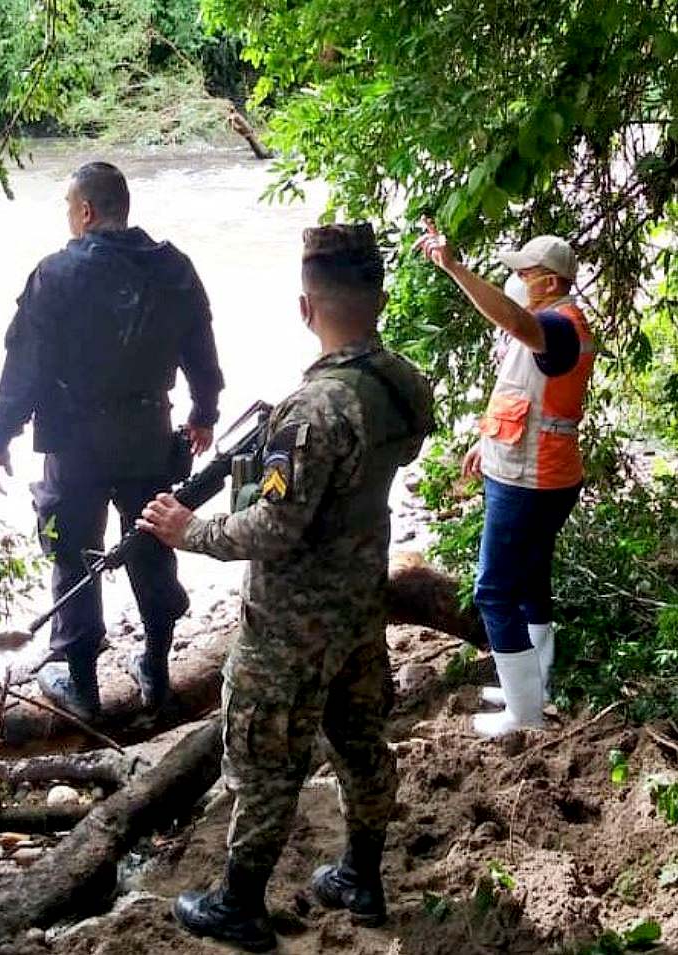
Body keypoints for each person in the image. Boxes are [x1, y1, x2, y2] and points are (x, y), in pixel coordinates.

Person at [138, 223, 433, 953]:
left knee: (265, 755)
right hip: (358, 605)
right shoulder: (403, 382)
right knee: (361, 741)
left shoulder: (310, 410)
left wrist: (187, 530)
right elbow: (331, 480)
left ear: (306, 308)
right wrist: (258, 466)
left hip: (290, 623)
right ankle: (361, 876)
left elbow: (271, 526)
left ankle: (239, 903)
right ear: (381, 297)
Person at [0, 161, 224, 722]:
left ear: (85, 211)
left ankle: (82, 685)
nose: (69, 219)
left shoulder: (55, 275)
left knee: (72, 554)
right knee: (153, 543)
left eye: (70, 209)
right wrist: (204, 411)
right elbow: (202, 349)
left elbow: (25, 368)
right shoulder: (175, 269)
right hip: (148, 434)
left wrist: (0, 436)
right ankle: (156, 671)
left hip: (75, 444)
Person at [416, 224, 594, 738]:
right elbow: (528, 396)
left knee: (493, 591)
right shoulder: (551, 323)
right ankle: (534, 686)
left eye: (522, 273)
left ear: (549, 281)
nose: (514, 280)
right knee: (531, 579)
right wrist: (485, 444)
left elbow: (511, 319)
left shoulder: (557, 328)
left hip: (531, 479)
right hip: (533, 468)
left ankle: (525, 714)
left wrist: (453, 267)